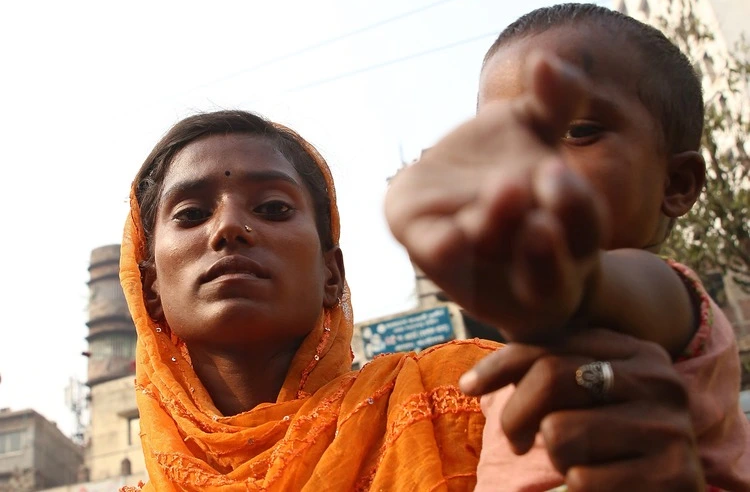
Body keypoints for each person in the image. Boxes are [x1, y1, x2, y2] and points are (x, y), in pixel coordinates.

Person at [119, 109, 706, 491]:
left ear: (332, 273)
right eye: (191, 214)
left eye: (273, 208)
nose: (229, 230)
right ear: (149, 288)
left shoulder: (470, 395)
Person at [384, 3, 750, 491]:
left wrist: (560, 280)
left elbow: (601, 285)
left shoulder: (668, 296)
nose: (526, 163)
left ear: (678, 183)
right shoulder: (519, 354)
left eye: (579, 132)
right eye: (502, 142)